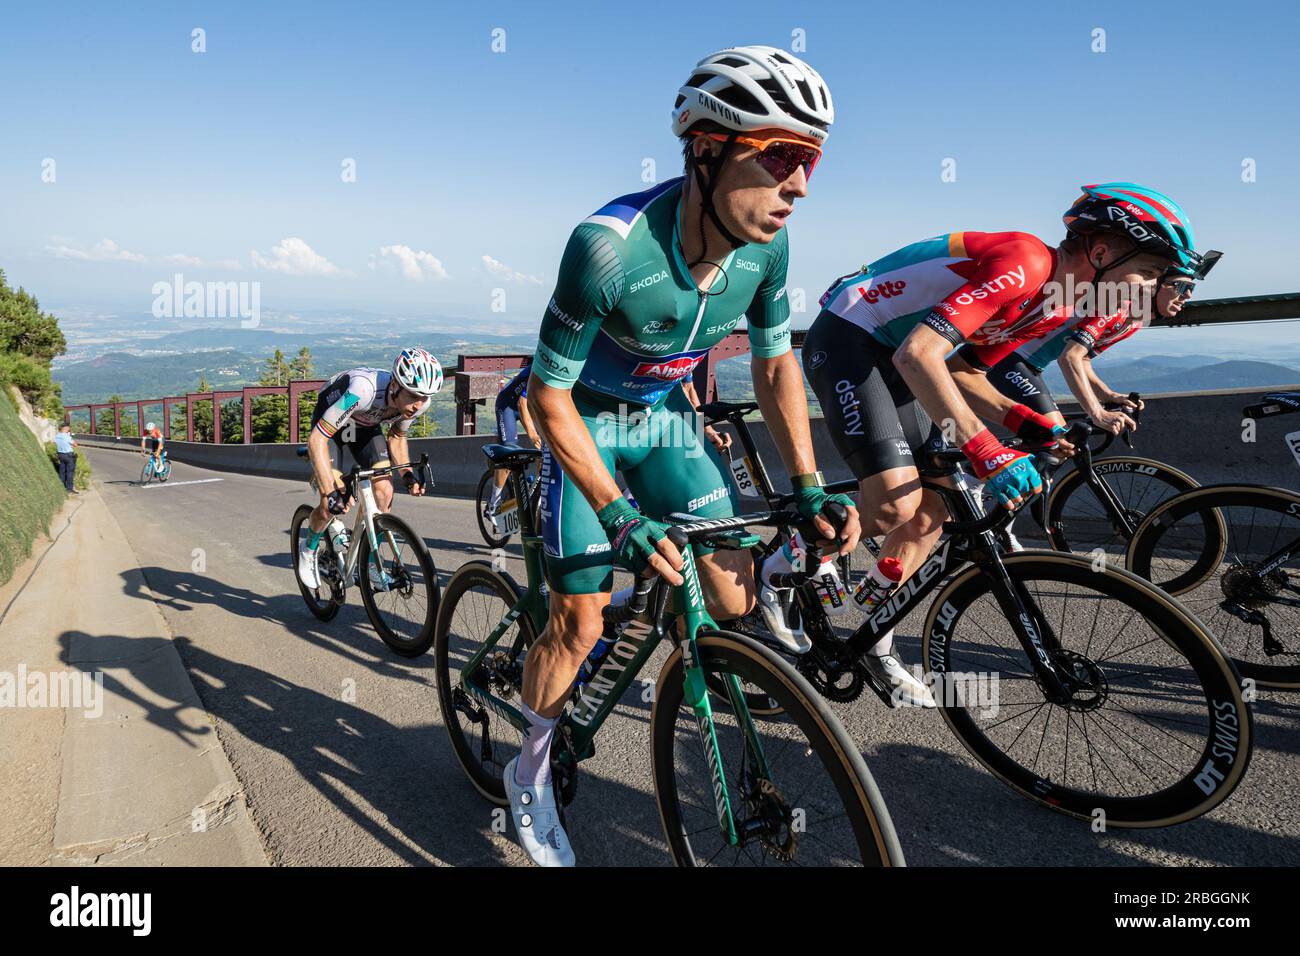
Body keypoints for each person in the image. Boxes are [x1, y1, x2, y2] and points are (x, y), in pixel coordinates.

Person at [509, 45, 858, 867]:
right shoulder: (608, 248)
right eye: (782, 157)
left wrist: (806, 490)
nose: (800, 186)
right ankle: (528, 771)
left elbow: (775, 366)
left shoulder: (767, 251)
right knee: (579, 620)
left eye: (813, 162)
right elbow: (545, 396)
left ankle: (673, 634)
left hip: (663, 421)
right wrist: (618, 513)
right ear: (707, 148)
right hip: (585, 421)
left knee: (733, 593)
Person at [803, 183, 1215, 707]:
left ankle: (873, 638)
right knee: (892, 503)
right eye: (1150, 273)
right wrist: (987, 450)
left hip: (905, 354)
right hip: (852, 333)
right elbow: (919, 356)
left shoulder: (1061, 302)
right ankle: (801, 540)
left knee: (930, 514)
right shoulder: (1024, 261)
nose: (1151, 287)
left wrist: (1026, 421)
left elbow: (961, 372)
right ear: (1103, 251)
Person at [988, 252, 1220, 433]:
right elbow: (1069, 358)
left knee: (1056, 444)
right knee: (1056, 435)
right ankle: (975, 479)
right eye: (1182, 286)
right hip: (1007, 362)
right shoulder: (1112, 308)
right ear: (1154, 285)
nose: (1188, 296)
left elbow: (1084, 358)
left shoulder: (1134, 323)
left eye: (1191, 289)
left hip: (1028, 367)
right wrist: (1097, 412)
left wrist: (1109, 395)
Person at [297, 347, 443, 589]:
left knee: (384, 490)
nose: (419, 405)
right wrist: (329, 490)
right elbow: (317, 440)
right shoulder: (362, 390)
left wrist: (407, 475)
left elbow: (396, 436)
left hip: (365, 427)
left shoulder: (418, 402)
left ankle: (374, 565)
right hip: (332, 424)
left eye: (424, 398)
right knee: (332, 502)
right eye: (414, 396)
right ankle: (309, 548)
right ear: (395, 385)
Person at [485, 359, 541, 518]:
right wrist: (532, 434)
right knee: (509, 451)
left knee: (545, 448)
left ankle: (535, 488)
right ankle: (494, 503)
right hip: (508, 405)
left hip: (531, 406)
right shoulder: (536, 370)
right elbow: (522, 403)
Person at [54, 423, 78, 493]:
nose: (69, 429)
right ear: (65, 428)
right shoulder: (67, 436)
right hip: (68, 455)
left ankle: (61, 486)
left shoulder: (57, 435)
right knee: (70, 472)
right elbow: (75, 445)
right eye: (68, 428)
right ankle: (69, 489)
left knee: (62, 471)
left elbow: (55, 443)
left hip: (60, 454)